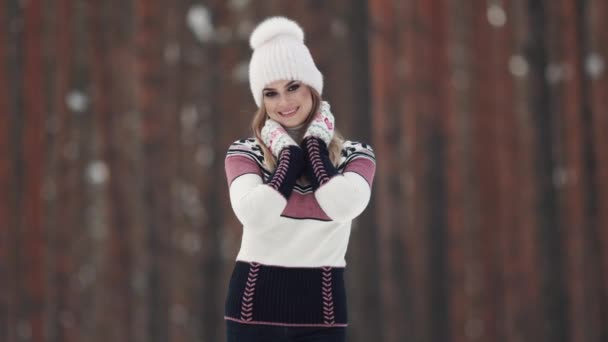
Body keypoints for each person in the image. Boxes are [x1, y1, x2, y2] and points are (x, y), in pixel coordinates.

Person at [223, 16, 376, 342]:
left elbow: (344, 205)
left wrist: (315, 149)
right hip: (252, 312)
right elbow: (255, 214)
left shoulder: (355, 155)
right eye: (271, 93)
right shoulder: (245, 153)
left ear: (312, 87)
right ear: (261, 101)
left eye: (292, 86)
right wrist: (290, 158)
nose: (284, 102)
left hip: (322, 314)